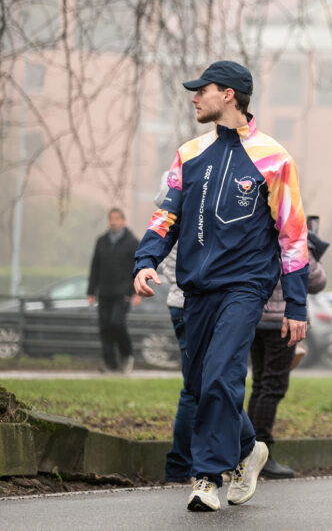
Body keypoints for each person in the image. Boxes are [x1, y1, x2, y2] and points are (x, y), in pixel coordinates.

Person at [132, 60, 310, 512]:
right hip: (197, 288)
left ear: (228, 94)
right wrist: (146, 259)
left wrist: (297, 306)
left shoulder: (274, 157)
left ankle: (207, 476)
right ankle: (248, 448)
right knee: (201, 383)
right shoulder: (189, 153)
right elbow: (165, 214)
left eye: (202, 90)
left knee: (221, 376)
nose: (194, 97)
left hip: (246, 287)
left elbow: (293, 237)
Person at [248, 224, 328, 479]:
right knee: (272, 386)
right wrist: (312, 250)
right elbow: (316, 280)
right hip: (283, 320)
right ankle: (261, 454)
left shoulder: (254, 229)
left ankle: (247, 451)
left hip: (254, 317)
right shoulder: (293, 235)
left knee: (260, 385)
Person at [151, 173, 195, 484]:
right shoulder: (195, 212)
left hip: (178, 301)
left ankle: (181, 465)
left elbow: (166, 260)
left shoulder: (169, 215)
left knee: (195, 387)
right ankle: (180, 465)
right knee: (200, 388)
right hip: (193, 305)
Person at [87, 207, 141, 373]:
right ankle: (110, 364)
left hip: (123, 292)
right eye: (111, 218)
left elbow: (139, 268)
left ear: (123, 221)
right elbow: (95, 266)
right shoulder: (101, 241)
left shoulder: (132, 242)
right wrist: (90, 291)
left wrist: (138, 292)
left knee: (116, 323)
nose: (113, 222)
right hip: (104, 292)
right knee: (104, 327)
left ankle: (127, 355)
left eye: (117, 219)